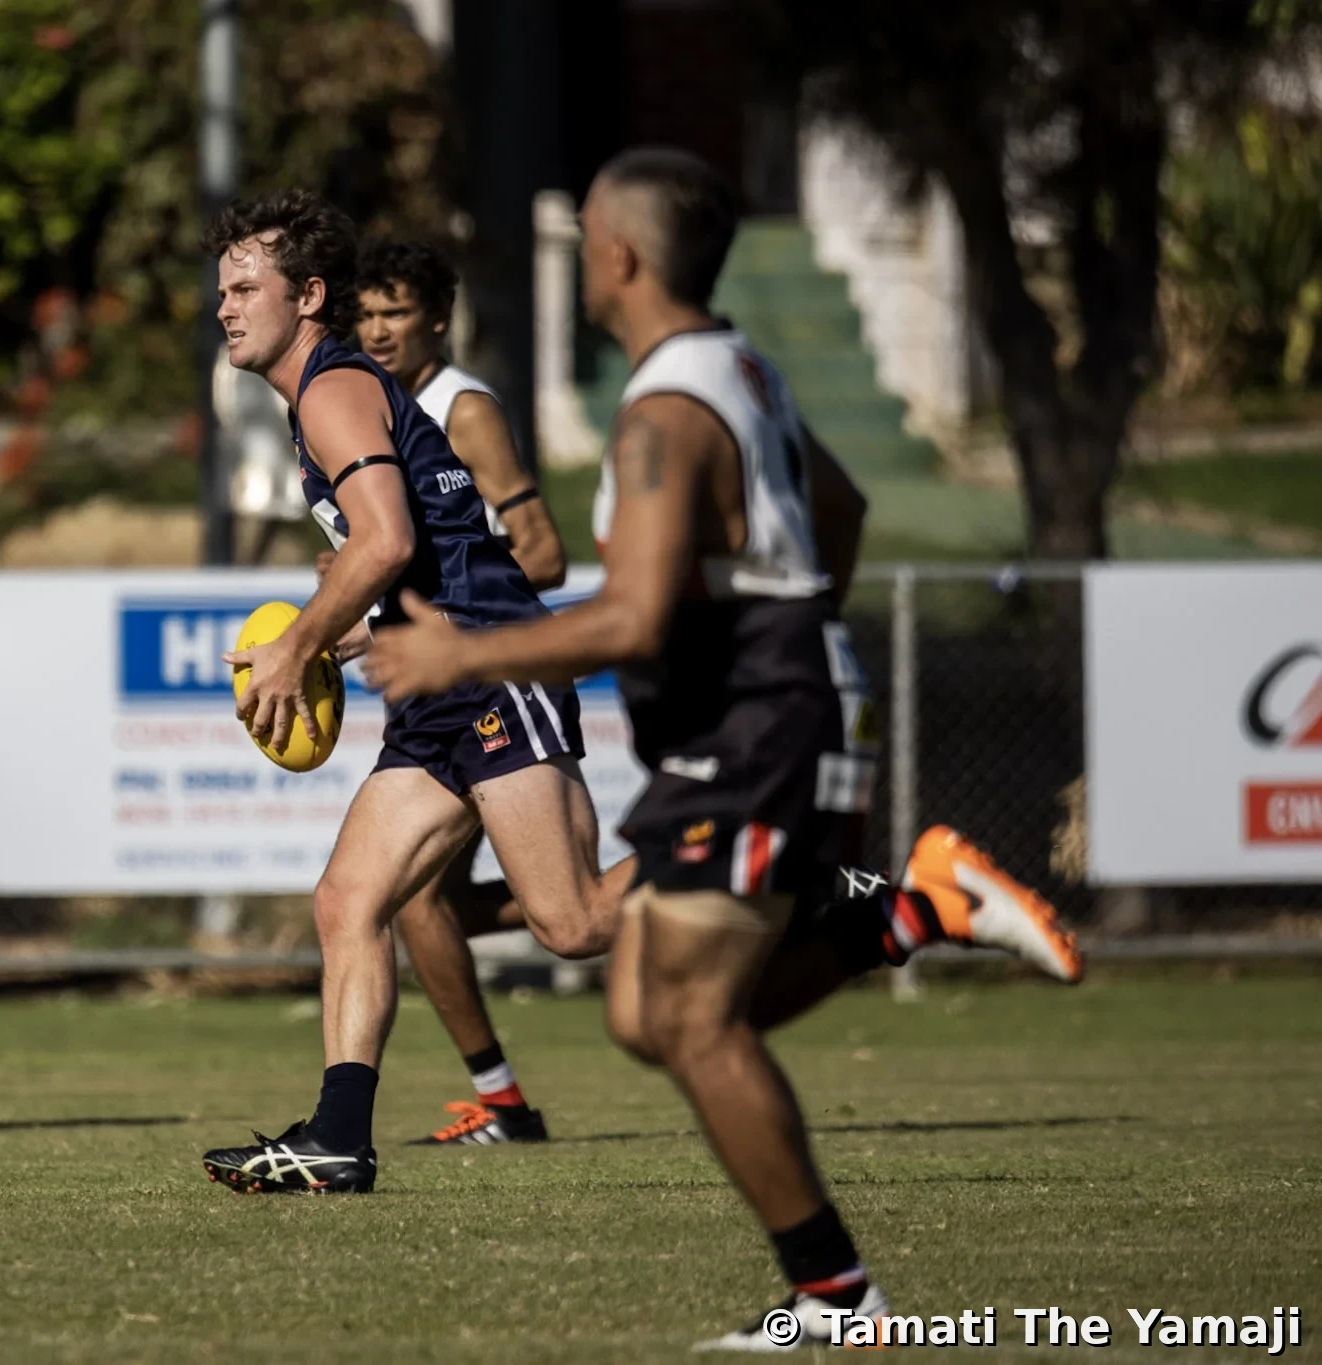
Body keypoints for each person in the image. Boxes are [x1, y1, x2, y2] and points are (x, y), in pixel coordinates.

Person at [365, 148, 1082, 1347]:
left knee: (687, 1019)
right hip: (761, 709)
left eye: (587, 230)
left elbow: (634, 614)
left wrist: (462, 657)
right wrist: (793, 621)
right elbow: (838, 511)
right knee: (645, 1013)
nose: (583, 253)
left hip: (751, 725)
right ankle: (910, 914)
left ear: (618, 258)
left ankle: (838, 1302)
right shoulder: (738, 367)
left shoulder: (660, 412)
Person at [195, 190, 622, 1195]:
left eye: (242, 287)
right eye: (218, 290)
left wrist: (300, 640)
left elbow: (385, 541)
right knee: (349, 900)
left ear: (306, 296)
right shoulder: (326, 397)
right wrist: (337, 635)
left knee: (572, 923)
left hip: (483, 661)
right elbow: (396, 554)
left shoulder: (331, 388)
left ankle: (792, 872)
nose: (222, 307)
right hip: (432, 683)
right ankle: (338, 1137)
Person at [347, 237, 566, 1145]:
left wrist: (438, 604)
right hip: (429, 688)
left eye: (395, 312)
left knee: (552, 914)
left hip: (487, 674)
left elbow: (543, 552)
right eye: (364, 315)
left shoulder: (459, 408)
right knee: (419, 900)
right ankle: (503, 1100)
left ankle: (766, 879)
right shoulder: (356, 415)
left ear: (438, 317)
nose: (378, 330)